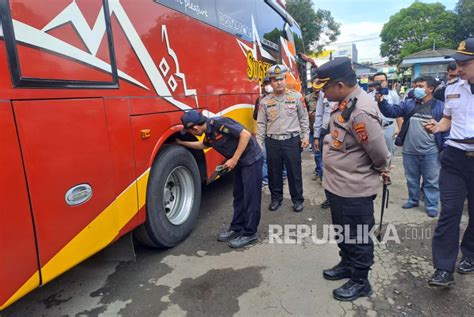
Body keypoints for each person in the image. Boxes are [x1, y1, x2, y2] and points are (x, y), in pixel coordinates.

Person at [315, 57, 391, 301]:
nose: (323, 94)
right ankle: (347, 264)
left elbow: (379, 153)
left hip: (354, 188)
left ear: (339, 85)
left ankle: (361, 280)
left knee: (358, 236)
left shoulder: (360, 111)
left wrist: (381, 169)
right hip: (338, 185)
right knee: (343, 231)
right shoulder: (345, 102)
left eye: (325, 88)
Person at [425, 38, 474, 287]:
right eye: (458, 63)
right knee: (450, 212)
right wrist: (437, 127)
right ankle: (443, 269)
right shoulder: (454, 89)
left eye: (465, 63)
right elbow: (447, 120)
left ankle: (471, 254)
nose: (459, 68)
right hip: (455, 156)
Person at [176, 110, 263, 248]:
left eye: (190, 131)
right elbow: (203, 145)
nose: (192, 133)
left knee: (251, 197)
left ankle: (249, 233)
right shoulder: (208, 133)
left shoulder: (219, 124)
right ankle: (236, 228)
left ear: (195, 127)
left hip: (251, 160)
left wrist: (234, 159)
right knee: (239, 196)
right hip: (240, 163)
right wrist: (182, 143)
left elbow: (245, 135)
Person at [376, 76, 448, 217]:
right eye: (415, 86)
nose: (416, 89)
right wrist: (381, 101)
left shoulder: (440, 106)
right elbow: (391, 112)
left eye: (420, 86)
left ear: (430, 89)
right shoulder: (408, 103)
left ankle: (431, 205)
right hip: (409, 150)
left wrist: (444, 149)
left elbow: (445, 130)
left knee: (431, 180)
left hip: (431, 151)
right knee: (411, 178)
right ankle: (413, 199)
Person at [256, 64, 310, 212]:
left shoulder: (296, 97)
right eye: (275, 80)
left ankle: (298, 200)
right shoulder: (265, 102)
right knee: (274, 173)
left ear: (285, 80)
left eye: (281, 79)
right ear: (270, 82)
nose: (278, 82)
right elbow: (261, 124)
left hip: (292, 141)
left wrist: (306, 136)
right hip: (272, 141)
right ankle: (276, 199)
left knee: (294, 173)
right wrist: (259, 145)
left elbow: (304, 118)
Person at [254, 77, 287, 186]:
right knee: (264, 157)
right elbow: (255, 116)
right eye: (266, 84)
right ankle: (265, 178)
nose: (267, 86)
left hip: (279, 133)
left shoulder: (280, 97)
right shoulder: (260, 100)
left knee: (281, 157)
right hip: (266, 134)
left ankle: (283, 174)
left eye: (269, 83)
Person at [312, 77, 334, 209]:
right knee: (325, 167)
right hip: (325, 133)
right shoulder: (322, 94)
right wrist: (316, 136)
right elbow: (319, 115)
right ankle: (329, 197)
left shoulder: (346, 92)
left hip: (343, 133)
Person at [372, 72, 401, 155]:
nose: (380, 83)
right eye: (377, 81)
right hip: (374, 128)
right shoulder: (368, 96)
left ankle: (388, 167)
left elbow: (398, 113)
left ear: (386, 81)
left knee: (389, 152)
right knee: (375, 152)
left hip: (388, 128)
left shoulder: (393, 95)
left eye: (382, 81)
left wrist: (400, 128)